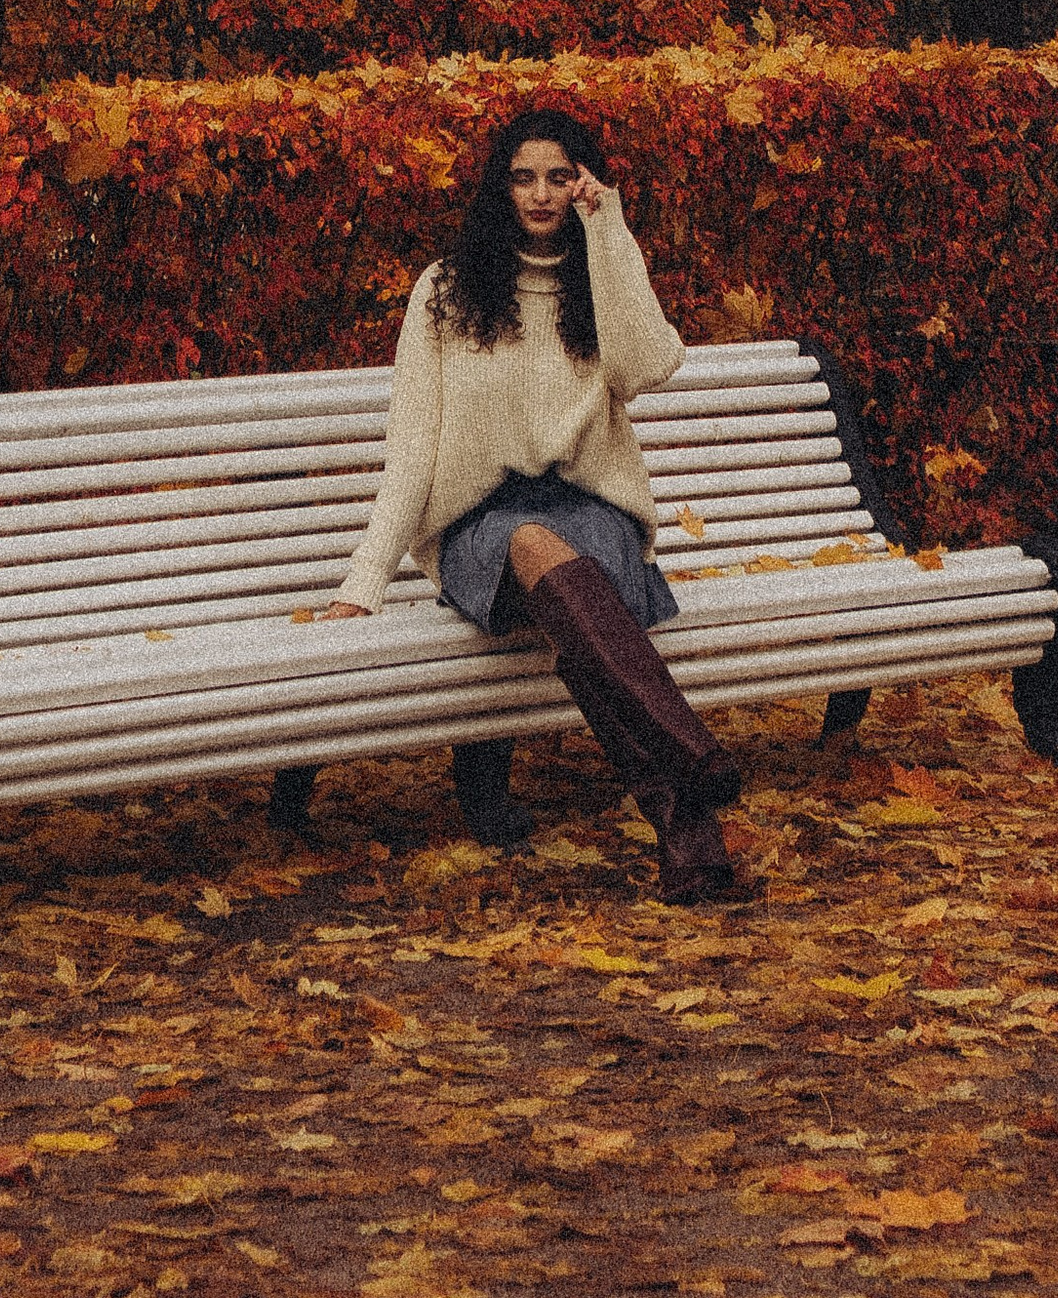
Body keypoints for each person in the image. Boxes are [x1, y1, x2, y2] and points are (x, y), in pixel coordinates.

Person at [318, 108, 746, 904]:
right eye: (523, 176)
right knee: (529, 541)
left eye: (559, 176)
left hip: (591, 508)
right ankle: (688, 759)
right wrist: (364, 580)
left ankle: (690, 831)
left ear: (582, 180)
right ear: (499, 185)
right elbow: (413, 440)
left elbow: (652, 366)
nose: (542, 193)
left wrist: (608, 227)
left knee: (567, 581)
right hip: (485, 526)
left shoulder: (601, 274)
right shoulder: (446, 289)